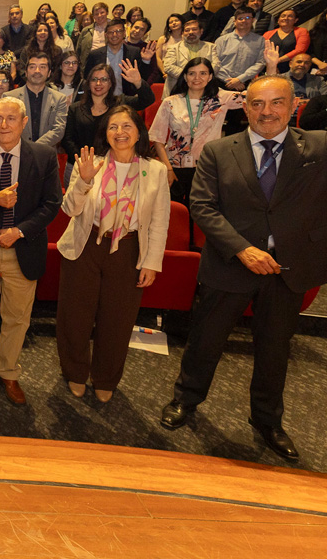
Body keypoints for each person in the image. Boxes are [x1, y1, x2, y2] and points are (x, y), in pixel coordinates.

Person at [160, 76, 327, 459]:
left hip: (288, 270)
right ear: (246, 107)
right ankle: (186, 399)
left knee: (274, 348)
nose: (267, 111)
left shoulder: (319, 146)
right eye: (257, 103)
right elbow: (202, 206)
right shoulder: (219, 151)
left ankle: (267, 420)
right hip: (229, 265)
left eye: (276, 102)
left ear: (292, 105)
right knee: (205, 341)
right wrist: (243, 250)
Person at [57, 106, 170, 402]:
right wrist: (83, 180)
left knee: (117, 319)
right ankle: (75, 372)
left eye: (126, 126)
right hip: (86, 244)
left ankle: (105, 377)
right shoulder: (90, 163)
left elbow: (159, 221)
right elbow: (69, 210)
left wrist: (152, 262)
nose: (120, 133)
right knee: (75, 315)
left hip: (129, 249)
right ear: (104, 134)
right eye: (112, 127)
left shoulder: (155, 170)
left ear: (138, 132)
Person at [0, 97, 62, 405]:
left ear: (23, 123)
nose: (4, 125)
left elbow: (52, 204)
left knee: (18, 317)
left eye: (10, 119)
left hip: (24, 247)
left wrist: (17, 232)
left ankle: (8, 371)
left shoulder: (44, 156)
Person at [150, 57, 244, 206]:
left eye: (203, 73)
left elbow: (255, 97)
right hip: (175, 168)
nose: (197, 78)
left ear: (210, 77)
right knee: (175, 214)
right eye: (192, 73)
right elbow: (157, 139)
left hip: (206, 168)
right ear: (185, 76)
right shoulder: (171, 102)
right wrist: (168, 169)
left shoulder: (221, 99)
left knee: (201, 213)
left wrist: (270, 66)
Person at [62, 62, 155, 187]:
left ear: (111, 83)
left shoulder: (120, 102)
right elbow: (68, 139)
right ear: (88, 83)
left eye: (104, 79)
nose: (98, 83)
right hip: (78, 166)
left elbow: (147, 100)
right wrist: (84, 161)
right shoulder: (75, 108)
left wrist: (138, 82)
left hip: (114, 166)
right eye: (94, 79)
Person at [4, 54, 68, 149]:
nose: (37, 71)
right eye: (32, 67)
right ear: (26, 72)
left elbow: (59, 130)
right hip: (17, 153)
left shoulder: (59, 99)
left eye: (42, 67)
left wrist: (34, 148)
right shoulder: (9, 97)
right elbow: (7, 127)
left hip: (46, 155)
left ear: (49, 73)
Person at [82, 20, 157, 96]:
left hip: (126, 99)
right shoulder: (95, 54)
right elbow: (87, 77)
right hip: (101, 99)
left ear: (124, 33)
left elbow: (142, 77)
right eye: (111, 32)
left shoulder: (134, 52)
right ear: (106, 35)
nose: (115, 35)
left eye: (118, 31)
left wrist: (146, 61)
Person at [164, 17, 215, 89]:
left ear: (201, 31)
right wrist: (190, 76)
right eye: (187, 30)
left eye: (194, 29)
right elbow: (168, 67)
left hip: (204, 88)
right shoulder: (173, 48)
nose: (190, 32)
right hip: (177, 88)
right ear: (182, 33)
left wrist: (201, 77)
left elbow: (215, 66)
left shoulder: (211, 47)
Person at [263, 8, 309, 75]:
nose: (286, 18)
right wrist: (271, 65)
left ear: (296, 20)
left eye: (290, 16)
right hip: (268, 67)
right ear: (278, 20)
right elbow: (262, 51)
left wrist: (278, 60)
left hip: (291, 69)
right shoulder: (268, 34)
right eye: (283, 16)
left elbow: (300, 50)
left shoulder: (302, 31)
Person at [154, 13, 184, 80]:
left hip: (181, 71)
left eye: (176, 21)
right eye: (171, 22)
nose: (174, 23)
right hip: (164, 71)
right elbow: (158, 57)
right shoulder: (162, 39)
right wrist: (164, 72)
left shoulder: (186, 39)